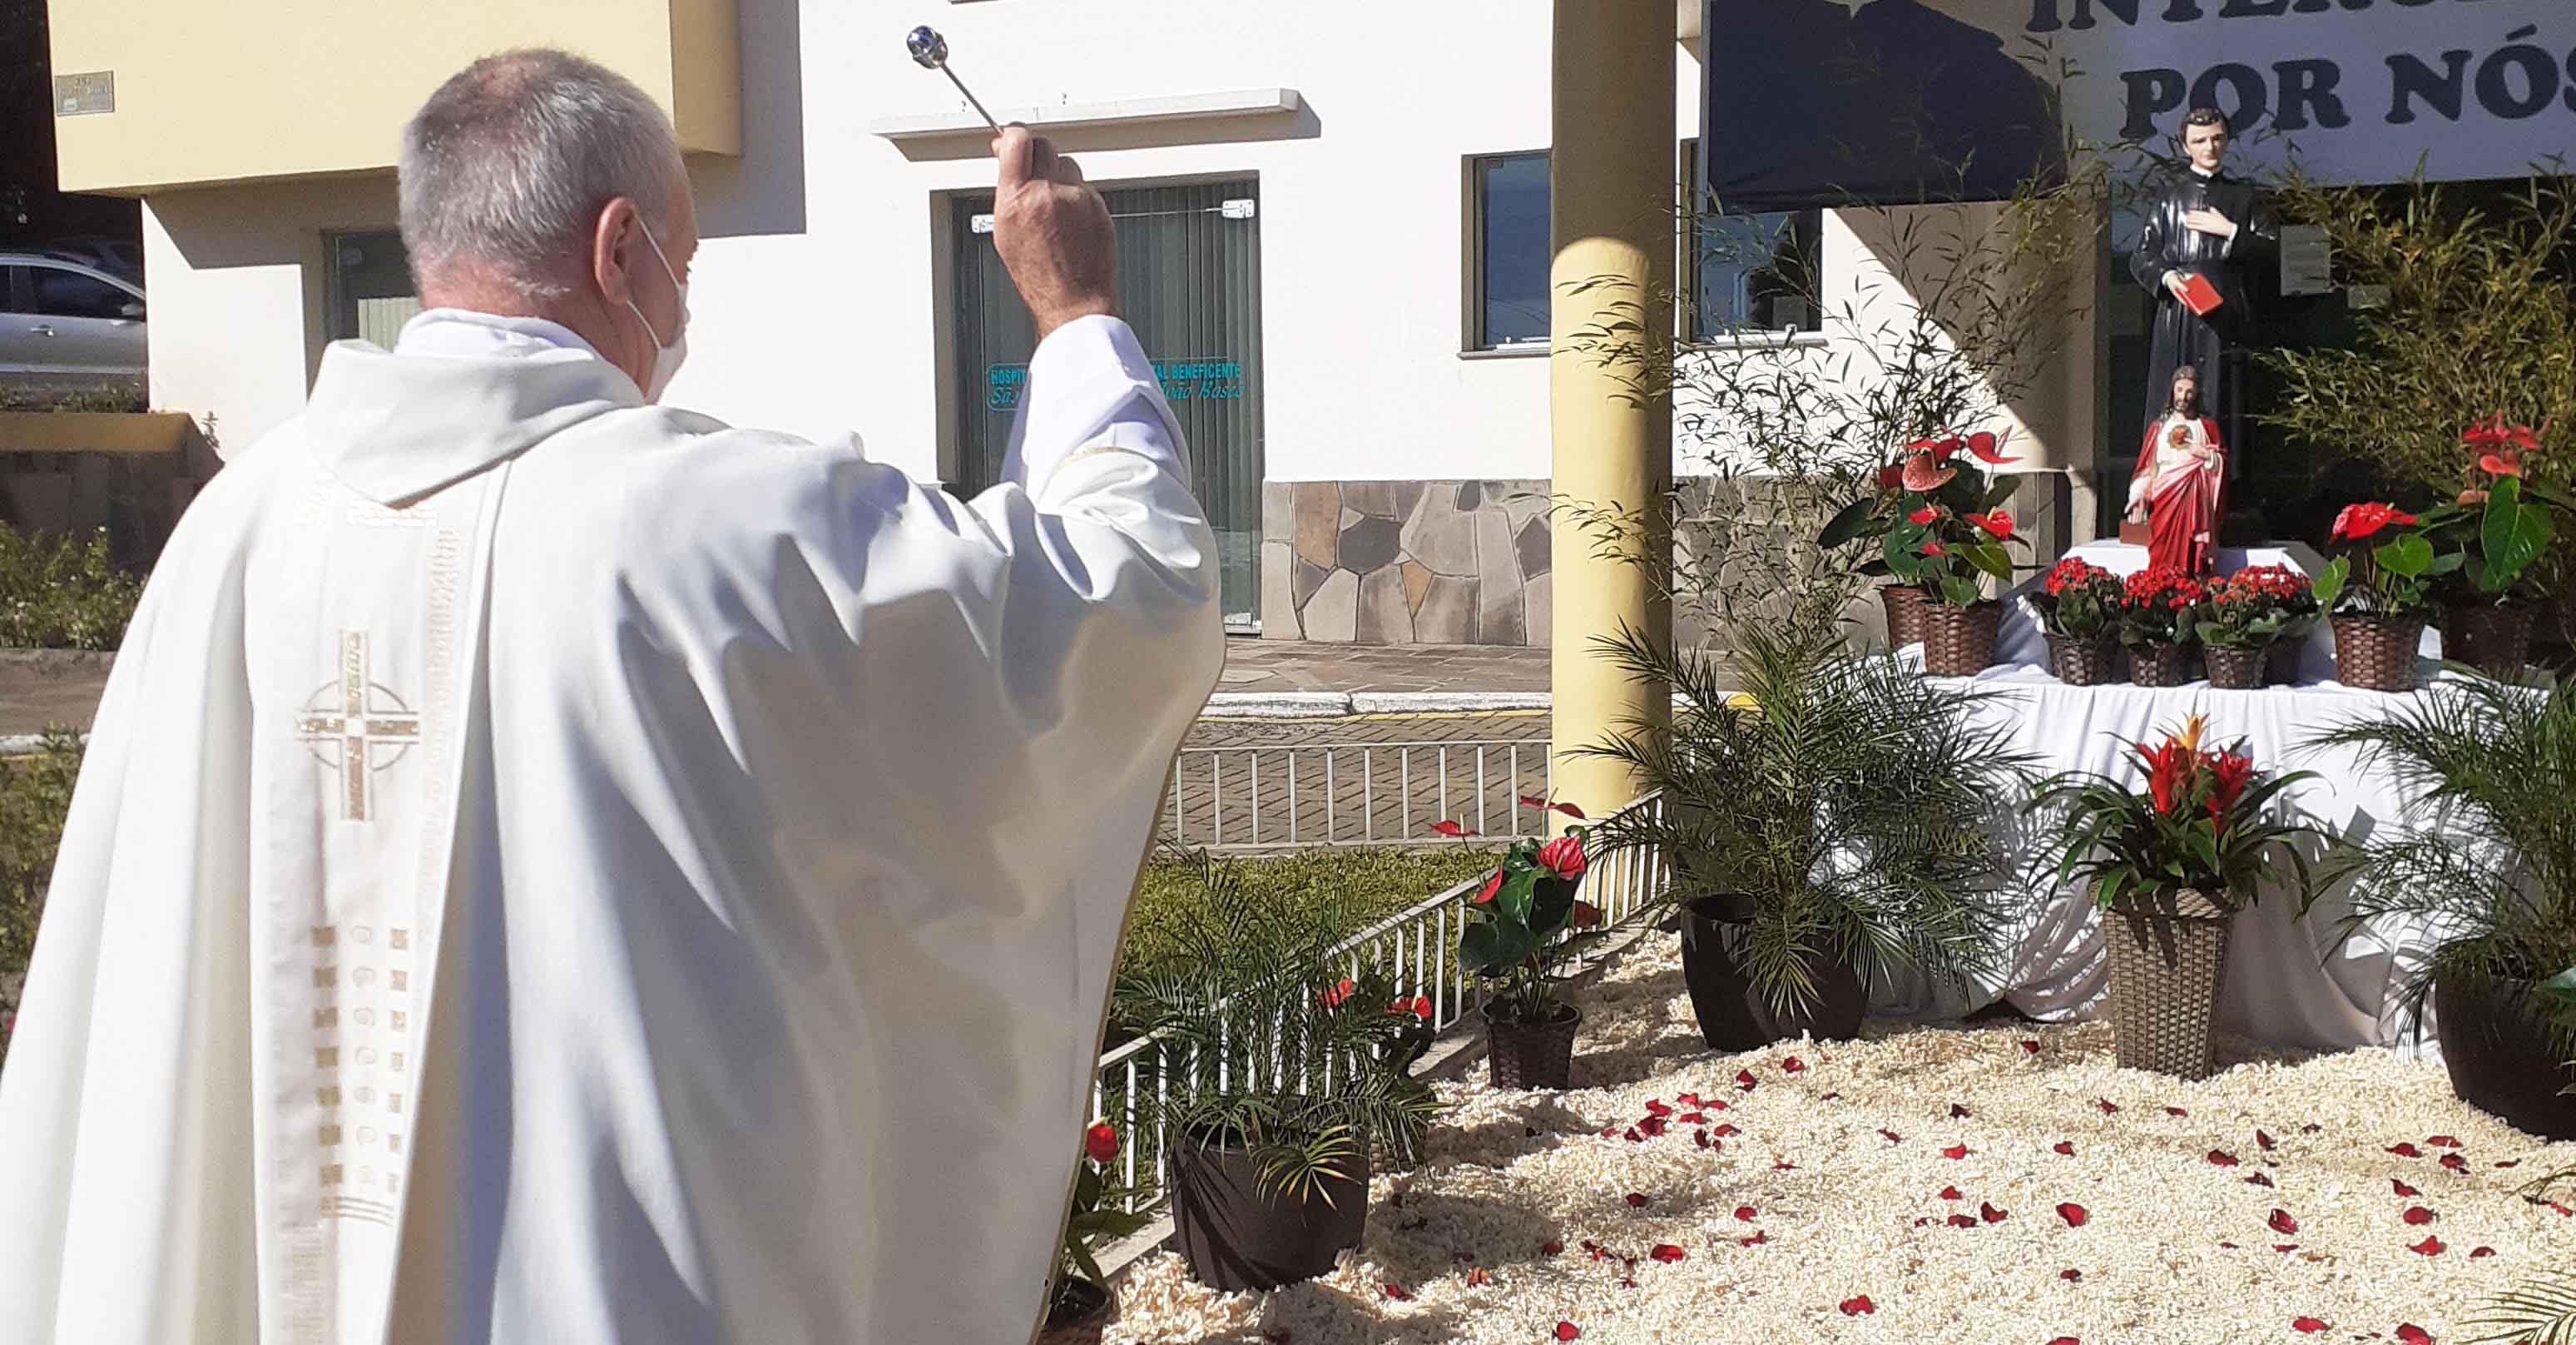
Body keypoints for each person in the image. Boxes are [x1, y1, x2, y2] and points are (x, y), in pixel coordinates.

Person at [0, 49, 1222, 1343]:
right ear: (621, 248)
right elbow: (1123, 596)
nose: (680, 312)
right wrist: (1076, 312)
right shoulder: (723, 525)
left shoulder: (236, 528)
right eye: (684, 270)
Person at [2130, 107, 2275, 465]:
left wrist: (2231, 232)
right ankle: (2164, 474)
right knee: (2175, 390)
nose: (2209, 147)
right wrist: (2166, 276)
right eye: (2199, 141)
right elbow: (2142, 255)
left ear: (2226, 141)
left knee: (2224, 393)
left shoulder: (2245, 198)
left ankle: (2226, 478)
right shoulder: (2168, 199)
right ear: (2185, 146)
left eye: (2216, 139)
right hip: (2178, 312)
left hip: (2226, 311)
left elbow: (2274, 251)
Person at [2126, 364, 2227, 575]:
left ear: (2197, 394)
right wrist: (2139, 495)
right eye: (2180, 390)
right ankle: (2160, 583)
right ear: (2172, 392)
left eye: (2189, 391)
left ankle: (2191, 584)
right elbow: (2147, 468)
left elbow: (2222, 463)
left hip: (2194, 498)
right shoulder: (2159, 428)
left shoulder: (2207, 427)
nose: (2184, 396)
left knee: (2191, 550)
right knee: (2161, 547)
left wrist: (2208, 456)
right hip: (2164, 496)